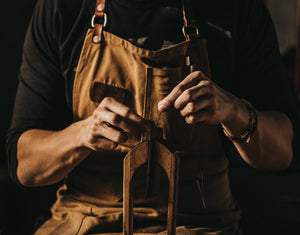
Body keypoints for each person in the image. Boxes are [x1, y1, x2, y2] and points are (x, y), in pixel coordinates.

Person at [6, 0, 298, 234]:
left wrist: (235, 112)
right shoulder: (62, 9)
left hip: (202, 222)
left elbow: (284, 153)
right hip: (87, 220)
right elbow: (25, 166)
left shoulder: (236, 8)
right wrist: (82, 134)